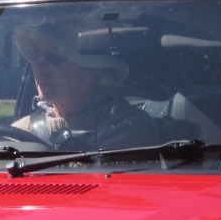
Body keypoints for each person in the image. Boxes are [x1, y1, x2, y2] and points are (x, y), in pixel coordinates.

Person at [11, 22, 158, 150]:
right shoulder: (21, 130)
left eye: (54, 58)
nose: (39, 68)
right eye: (35, 56)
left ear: (92, 71)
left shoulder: (129, 127)